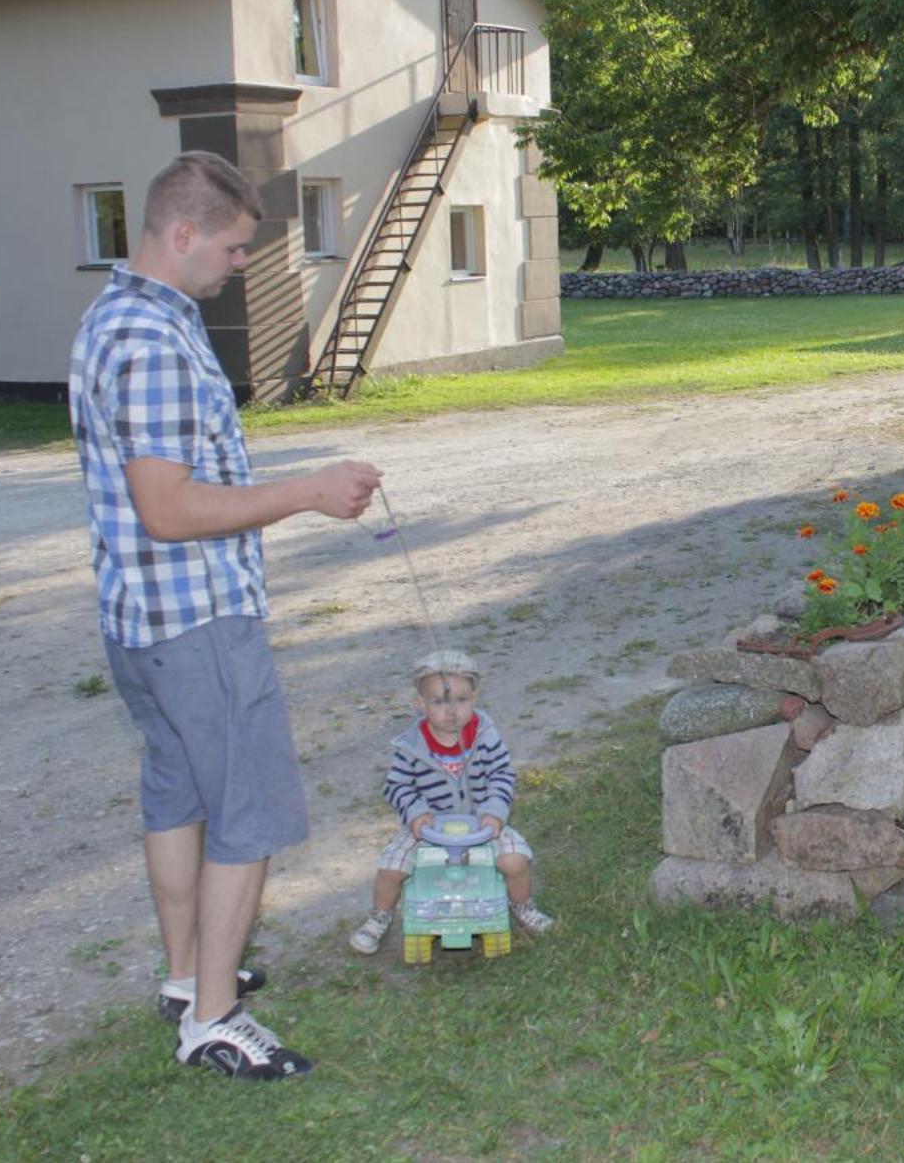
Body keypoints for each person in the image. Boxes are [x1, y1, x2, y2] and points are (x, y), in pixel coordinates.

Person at [69, 150, 382, 1080]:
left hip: (140, 622)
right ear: (182, 233)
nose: (241, 263)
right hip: (196, 622)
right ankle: (213, 1016)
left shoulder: (114, 315)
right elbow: (168, 507)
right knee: (246, 812)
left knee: (178, 798)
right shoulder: (158, 342)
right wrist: (309, 492)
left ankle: (184, 977)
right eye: (236, 247)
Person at [350, 648, 554, 954]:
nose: (451, 711)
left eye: (461, 700)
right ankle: (380, 916)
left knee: (514, 861)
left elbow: (502, 775)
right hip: (429, 829)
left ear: (474, 698)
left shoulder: (485, 736)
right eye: (439, 701)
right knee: (392, 867)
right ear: (420, 704)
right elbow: (397, 786)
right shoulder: (410, 747)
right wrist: (417, 815)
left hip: (482, 826)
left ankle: (523, 906)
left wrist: (495, 814)